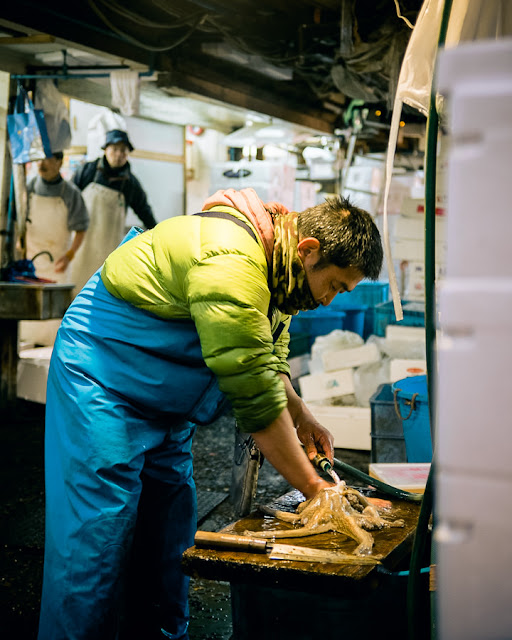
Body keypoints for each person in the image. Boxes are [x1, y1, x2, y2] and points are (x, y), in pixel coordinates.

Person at [38, 187, 383, 640]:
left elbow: (269, 357)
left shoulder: (283, 271)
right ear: (310, 250)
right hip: (105, 378)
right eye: (336, 286)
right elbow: (254, 394)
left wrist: (302, 414)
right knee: (96, 537)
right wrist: (317, 490)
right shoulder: (232, 262)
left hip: (168, 397)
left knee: (168, 531)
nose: (330, 301)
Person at [70, 128, 157, 294]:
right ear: (105, 149)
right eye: (115, 149)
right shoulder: (87, 170)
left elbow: (145, 212)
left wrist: (158, 234)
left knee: (99, 294)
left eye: (123, 151)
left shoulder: (131, 183)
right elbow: (70, 200)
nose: (118, 155)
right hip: (80, 247)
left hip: (107, 251)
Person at [20, 151, 89, 346]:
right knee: (28, 326)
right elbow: (19, 222)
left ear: (59, 163)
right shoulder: (30, 187)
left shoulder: (71, 194)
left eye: (48, 159)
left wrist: (69, 255)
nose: (42, 164)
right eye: (40, 159)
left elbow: (81, 229)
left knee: (51, 327)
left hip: (57, 266)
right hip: (29, 265)